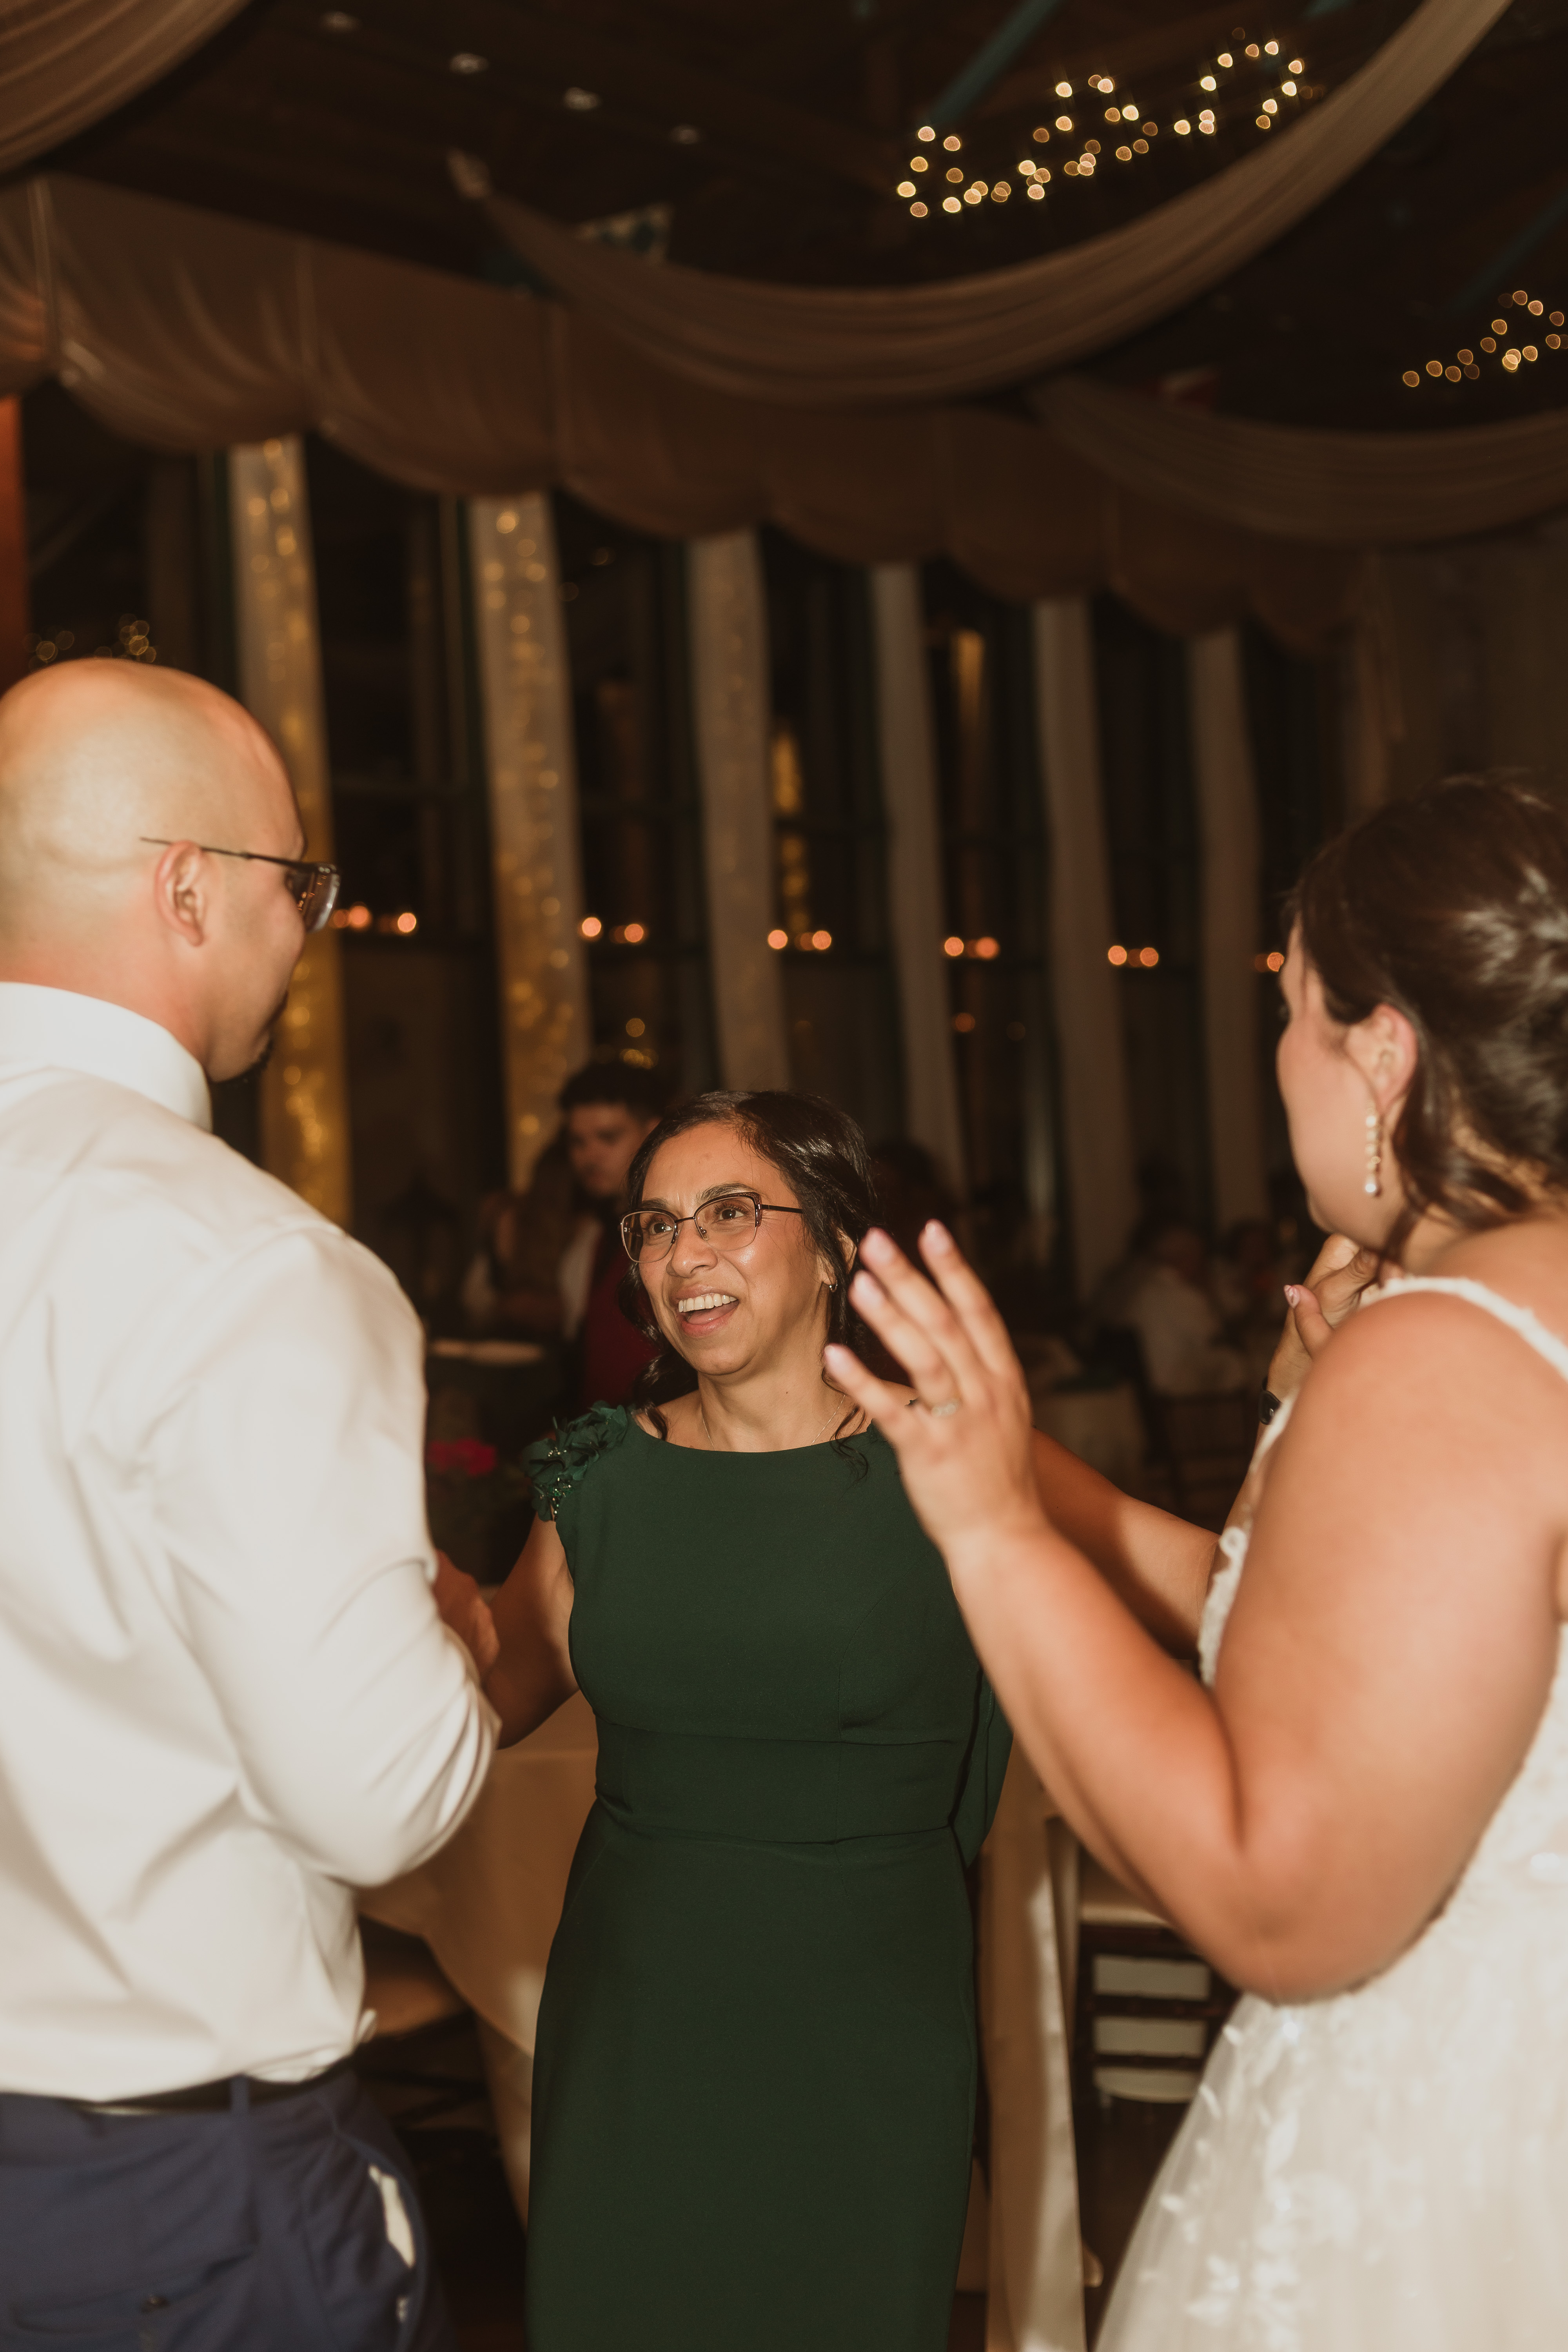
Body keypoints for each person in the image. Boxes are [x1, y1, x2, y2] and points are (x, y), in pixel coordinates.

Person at [830, 774, 1568, 2348]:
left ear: (1385, 1054)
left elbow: (1278, 1898)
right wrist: (1002, 1453)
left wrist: (994, 1536)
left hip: (1450, 2174)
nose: (1278, 1059)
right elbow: (1320, 1649)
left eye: (1290, 1013)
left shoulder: (1451, 1350)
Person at [0, 661, 497, 2348]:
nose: (309, 930)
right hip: (159, 2201)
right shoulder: (251, 1266)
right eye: (303, 884)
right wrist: (454, 1643)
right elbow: (377, 1801)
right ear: (189, 888)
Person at [479, 1089, 1011, 2352]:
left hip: (866, 2025)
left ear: (832, 1246)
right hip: (639, 2020)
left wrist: (1298, 1411)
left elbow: (1218, 1591)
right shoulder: (597, 1476)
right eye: (656, 1225)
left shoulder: (949, 1458)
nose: (683, 1253)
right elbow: (471, 1707)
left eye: (727, 1212)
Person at [465, 1062, 661, 1408]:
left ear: (652, 1132)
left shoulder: (672, 1229)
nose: (590, 1156)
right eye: (578, 1142)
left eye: (608, 1137)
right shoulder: (599, 1233)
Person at [1123, 1217, 1248, 1396]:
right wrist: (1210, 1294)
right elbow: (1215, 1336)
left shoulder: (1145, 1287)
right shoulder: (1178, 1293)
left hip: (1152, 1385)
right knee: (1234, 1362)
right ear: (1184, 1256)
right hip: (1176, 1387)